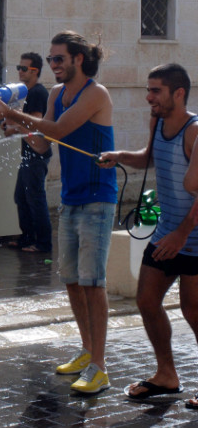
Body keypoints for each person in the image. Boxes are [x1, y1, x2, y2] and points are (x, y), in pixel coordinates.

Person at [0, 31, 116, 394]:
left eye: (58, 59)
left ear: (78, 60)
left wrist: (13, 112)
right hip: (71, 198)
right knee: (71, 279)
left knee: (93, 282)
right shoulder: (56, 94)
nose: (52, 65)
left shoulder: (96, 94)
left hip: (97, 198)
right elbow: (44, 142)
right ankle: (87, 352)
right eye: (51, 59)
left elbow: (58, 129)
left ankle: (100, 366)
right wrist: (14, 127)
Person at [99, 64, 198, 402]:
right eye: (149, 89)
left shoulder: (194, 131)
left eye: (156, 90)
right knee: (146, 300)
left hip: (193, 237)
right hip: (167, 232)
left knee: (193, 310)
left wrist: (183, 234)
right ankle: (166, 375)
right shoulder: (157, 123)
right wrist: (118, 156)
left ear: (178, 93)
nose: (148, 97)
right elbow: (148, 158)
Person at [3, 52, 52, 252]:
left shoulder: (37, 93)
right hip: (28, 152)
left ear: (35, 71)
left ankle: (42, 243)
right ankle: (27, 238)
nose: (20, 72)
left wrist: (13, 127)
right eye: (19, 68)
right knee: (21, 196)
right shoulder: (26, 93)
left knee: (34, 197)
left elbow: (35, 125)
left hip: (36, 153)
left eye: (24, 69)